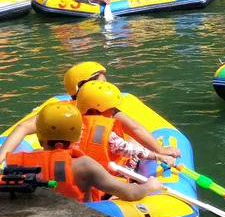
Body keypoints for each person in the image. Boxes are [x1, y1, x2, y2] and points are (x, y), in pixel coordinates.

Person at [0, 61, 180, 166]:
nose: (106, 86)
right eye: (101, 83)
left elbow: (23, 127)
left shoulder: (60, 112)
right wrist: (160, 151)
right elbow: (135, 129)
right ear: (83, 86)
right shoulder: (106, 109)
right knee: (130, 140)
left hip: (73, 166)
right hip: (107, 168)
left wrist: (2, 157)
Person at [1, 101, 161, 205]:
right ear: (78, 135)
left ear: (39, 134)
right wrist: (149, 186)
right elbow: (130, 193)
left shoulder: (23, 161)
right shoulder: (84, 165)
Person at [75, 80, 175, 170]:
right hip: (106, 177)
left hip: (85, 172)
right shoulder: (105, 133)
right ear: (96, 109)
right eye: (112, 109)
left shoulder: (74, 125)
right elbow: (130, 150)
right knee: (136, 149)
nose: (114, 112)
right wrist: (159, 156)